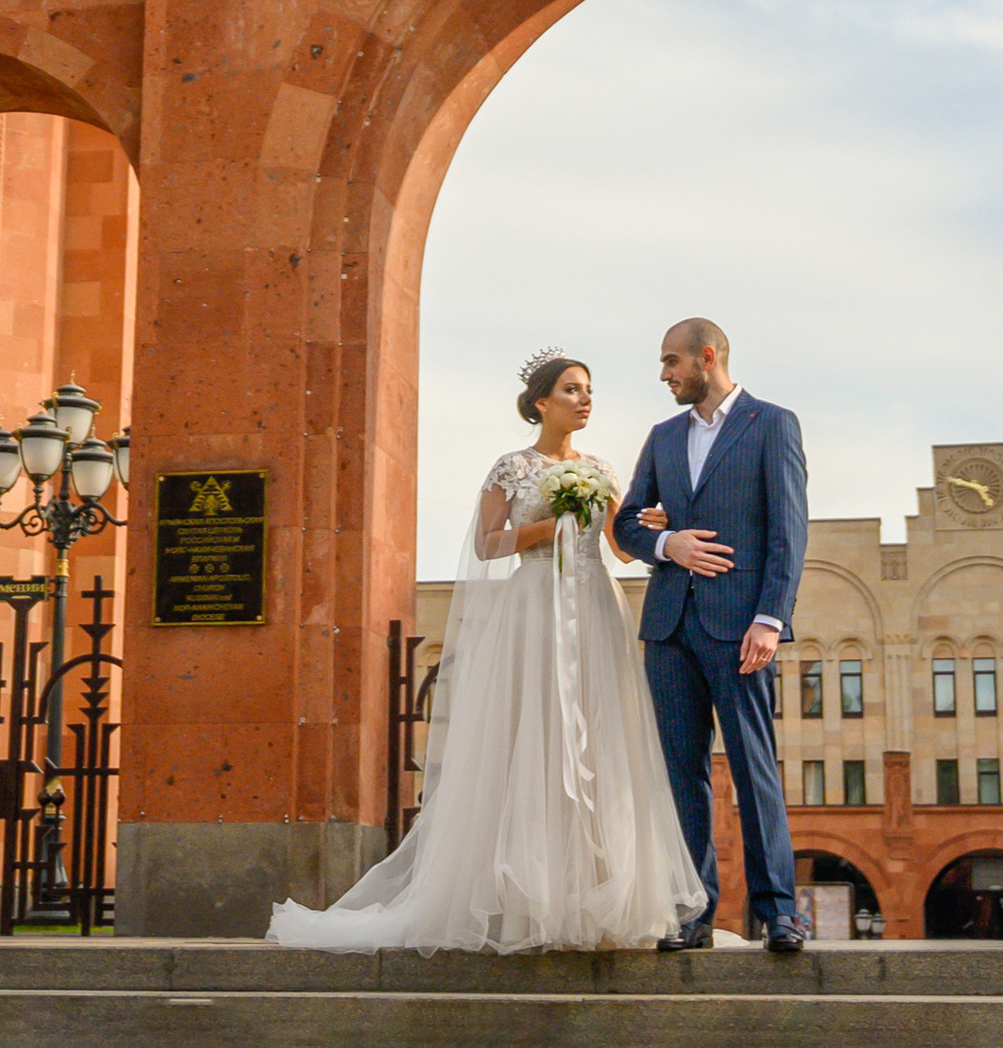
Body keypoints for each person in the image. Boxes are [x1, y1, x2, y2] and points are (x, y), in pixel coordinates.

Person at [268, 353, 706, 956]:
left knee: (601, 744)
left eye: (589, 391)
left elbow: (621, 550)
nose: (584, 400)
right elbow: (487, 542)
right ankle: (528, 899)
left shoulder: (601, 470)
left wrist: (650, 524)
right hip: (534, 608)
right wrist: (547, 524)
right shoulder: (513, 467)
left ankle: (595, 894)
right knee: (533, 739)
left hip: (595, 611)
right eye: (571, 390)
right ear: (541, 403)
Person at [614, 316, 809, 955]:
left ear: (707, 356)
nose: (665, 375)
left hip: (740, 629)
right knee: (681, 773)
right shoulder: (664, 436)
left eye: (672, 362)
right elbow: (627, 523)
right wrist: (667, 543)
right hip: (669, 628)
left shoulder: (771, 424)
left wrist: (770, 620)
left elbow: (788, 532)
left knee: (754, 770)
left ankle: (780, 914)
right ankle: (692, 913)